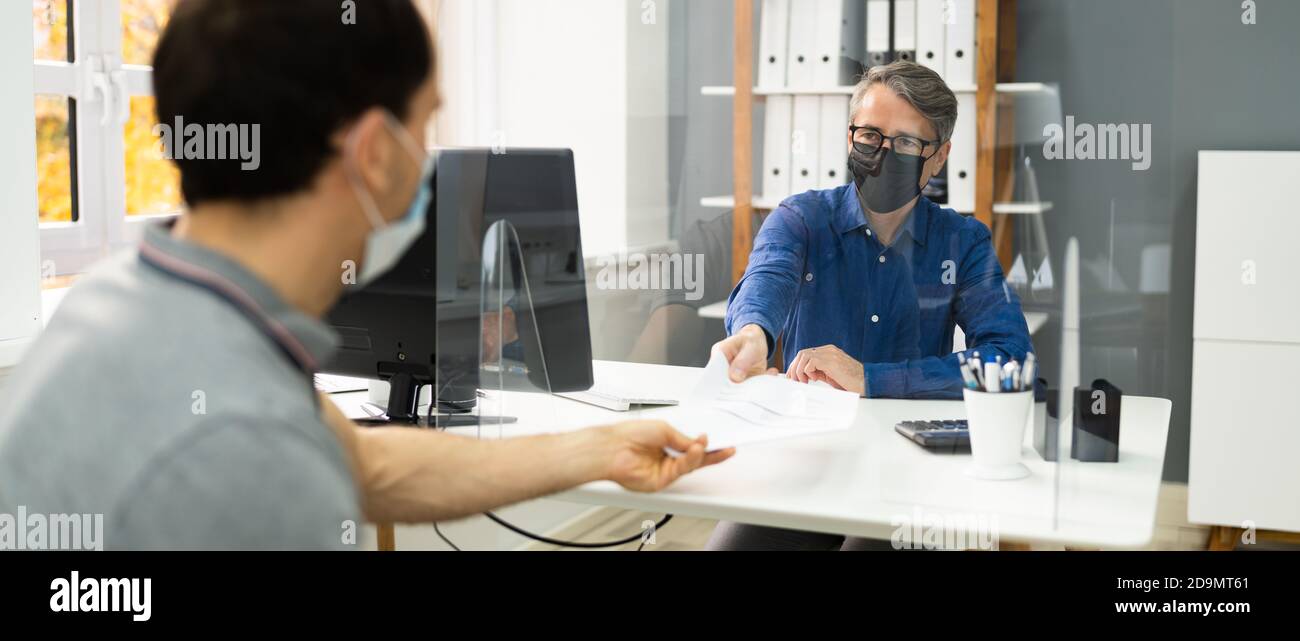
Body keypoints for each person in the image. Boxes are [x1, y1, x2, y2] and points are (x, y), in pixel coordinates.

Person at [0, 0, 732, 551]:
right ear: (377, 152)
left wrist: (595, 451)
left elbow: (366, 464)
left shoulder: (129, 299)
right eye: (427, 125)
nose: (432, 158)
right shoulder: (246, 449)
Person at [707, 61, 1033, 551]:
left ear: (939, 157)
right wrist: (753, 334)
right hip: (807, 458)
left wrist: (872, 379)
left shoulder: (962, 241)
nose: (883, 153)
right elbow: (766, 279)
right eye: (870, 136)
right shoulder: (801, 218)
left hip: (912, 466)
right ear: (850, 138)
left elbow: (1008, 358)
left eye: (906, 143)